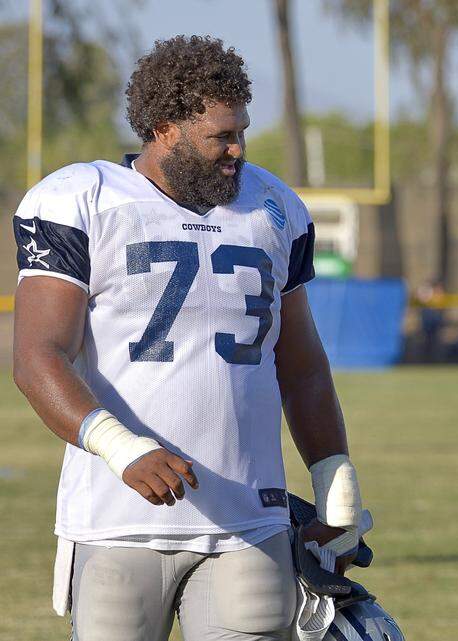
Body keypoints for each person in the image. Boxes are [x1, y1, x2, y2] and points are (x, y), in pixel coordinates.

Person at [12, 36, 366, 641]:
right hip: (117, 519)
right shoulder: (84, 198)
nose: (237, 151)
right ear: (162, 128)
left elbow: (301, 363)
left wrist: (334, 477)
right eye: (220, 137)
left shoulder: (274, 206)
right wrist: (123, 449)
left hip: (249, 521)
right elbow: (36, 356)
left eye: (242, 132)